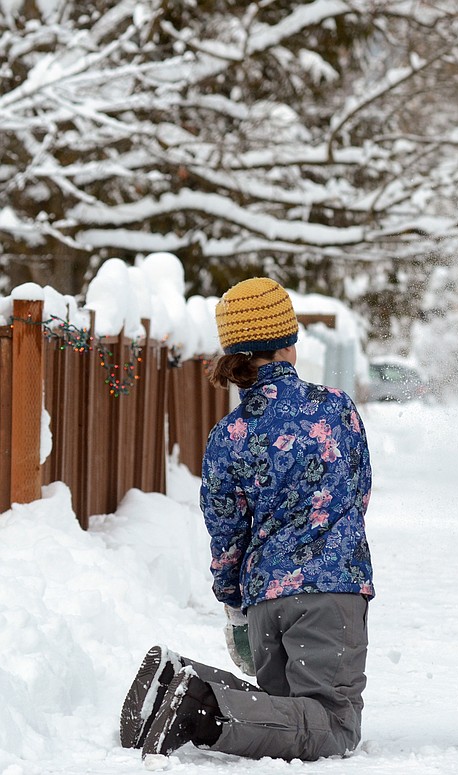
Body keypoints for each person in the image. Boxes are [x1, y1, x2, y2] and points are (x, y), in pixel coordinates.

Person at [118, 277, 374, 761]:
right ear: (289, 344)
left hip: (262, 604)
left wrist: (235, 608)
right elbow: (358, 494)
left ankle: (179, 682)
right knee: (333, 725)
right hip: (330, 592)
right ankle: (200, 709)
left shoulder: (228, 434)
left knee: (283, 712)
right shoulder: (336, 409)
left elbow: (226, 532)